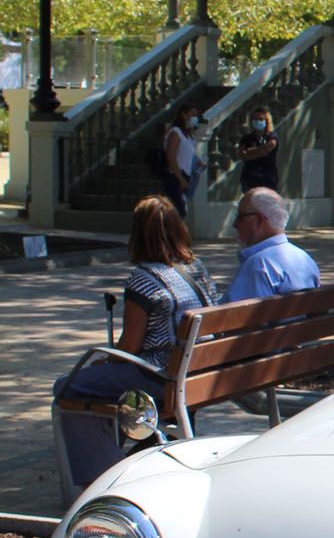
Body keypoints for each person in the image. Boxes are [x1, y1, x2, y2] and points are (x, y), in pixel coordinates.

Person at [53, 195, 222, 489]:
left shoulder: (143, 279)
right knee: (99, 381)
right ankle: (137, 457)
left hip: (161, 376)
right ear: (178, 229)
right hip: (200, 371)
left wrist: (107, 358)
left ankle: (101, 477)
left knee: (68, 387)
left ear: (138, 234)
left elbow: (130, 346)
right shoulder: (197, 268)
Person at [225, 188, 319, 302]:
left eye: (240, 217)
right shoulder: (304, 258)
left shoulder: (259, 265)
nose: (235, 224)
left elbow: (236, 316)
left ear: (258, 220)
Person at [161, 104, 203, 217]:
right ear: (183, 115)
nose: (195, 118)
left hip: (187, 177)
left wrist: (198, 162)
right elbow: (171, 155)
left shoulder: (189, 137)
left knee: (180, 210)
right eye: (192, 114)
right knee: (178, 210)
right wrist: (179, 177)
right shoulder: (176, 132)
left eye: (196, 115)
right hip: (175, 177)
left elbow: (189, 156)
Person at [235, 107, 280, 192]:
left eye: (260, 119)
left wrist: (250, 150)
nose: (257, 121)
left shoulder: (272, 136)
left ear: (266, 121)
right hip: (249, 178)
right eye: (255, 119)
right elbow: (243, 155)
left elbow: (269, 148)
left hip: (268, 178)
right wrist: (261, 151)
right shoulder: (247, 138)